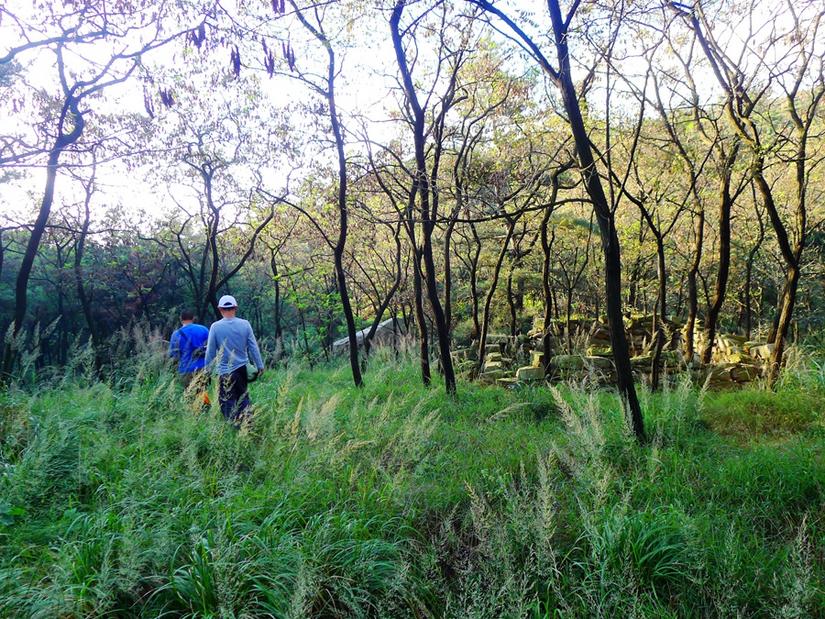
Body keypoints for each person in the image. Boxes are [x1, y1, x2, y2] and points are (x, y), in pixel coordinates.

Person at [205, 295, 264, 424]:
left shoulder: (215, 327)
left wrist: (207, 371)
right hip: (242, 369)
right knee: (243, 397)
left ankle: (234, 427)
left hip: (224, 371)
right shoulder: (245, 324)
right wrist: (260, 365)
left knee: (227, 401)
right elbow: (253, 347)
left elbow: (210, 351)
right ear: (235, 308)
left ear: (220, 309)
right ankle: (248, 424)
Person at [169, 310, 209, 387]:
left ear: (180, 319)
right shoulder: (203, 329)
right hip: (203, 367)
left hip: (186, 369)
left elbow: (174, 355)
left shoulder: (176, 334)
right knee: (203, 394)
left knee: (189, 396)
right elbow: (210, 347)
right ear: (193, 318)